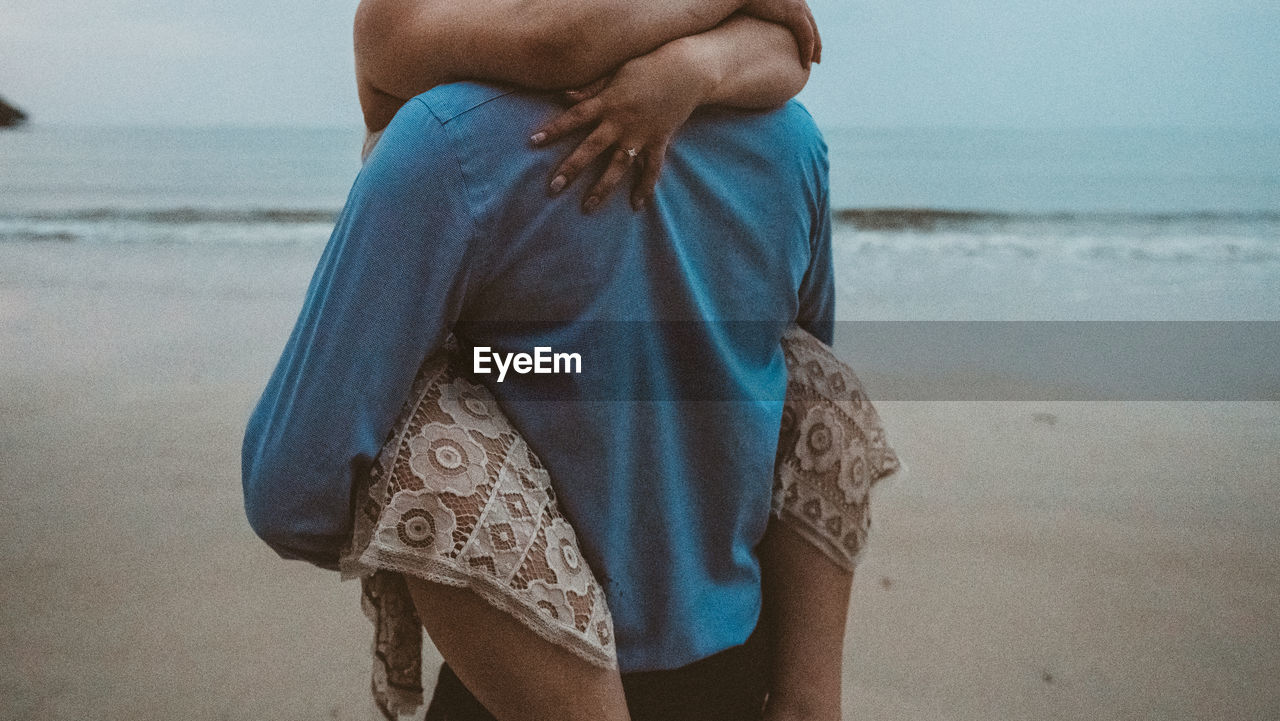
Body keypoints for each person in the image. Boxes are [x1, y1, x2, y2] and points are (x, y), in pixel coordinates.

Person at [242, 2, 899, 719]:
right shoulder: (793, 143)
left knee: (424, 413)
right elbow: (785, 380)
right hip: (738, 676)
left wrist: (493, 378)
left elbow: (289, 487)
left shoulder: (446, 144)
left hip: (516, 692)